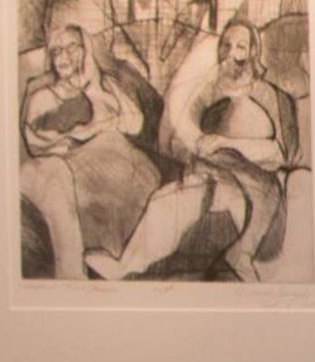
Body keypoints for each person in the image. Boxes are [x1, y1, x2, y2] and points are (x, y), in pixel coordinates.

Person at [85, 18, 302, 282]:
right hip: (212, 175)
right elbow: (185, 130)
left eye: (241, 47)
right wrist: (200, 144)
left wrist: (228, 144)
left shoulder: (269, 94)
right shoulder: (208, 90)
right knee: (166, 201)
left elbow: (281, 153)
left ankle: (242, 257)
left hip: (258, 184)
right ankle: (125, 266)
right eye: (226, 45)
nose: (231, 54)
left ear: (254, 52)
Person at [17, 0, 160, 278]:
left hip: (129, 174)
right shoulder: (43, 95)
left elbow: (136, 122)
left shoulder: (105, 86)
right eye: (57, 51)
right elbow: (38, 142)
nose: (65, 57)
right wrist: (100, 129)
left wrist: (95, 100)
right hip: (81, 174)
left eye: (73, 48)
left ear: (86, 49)